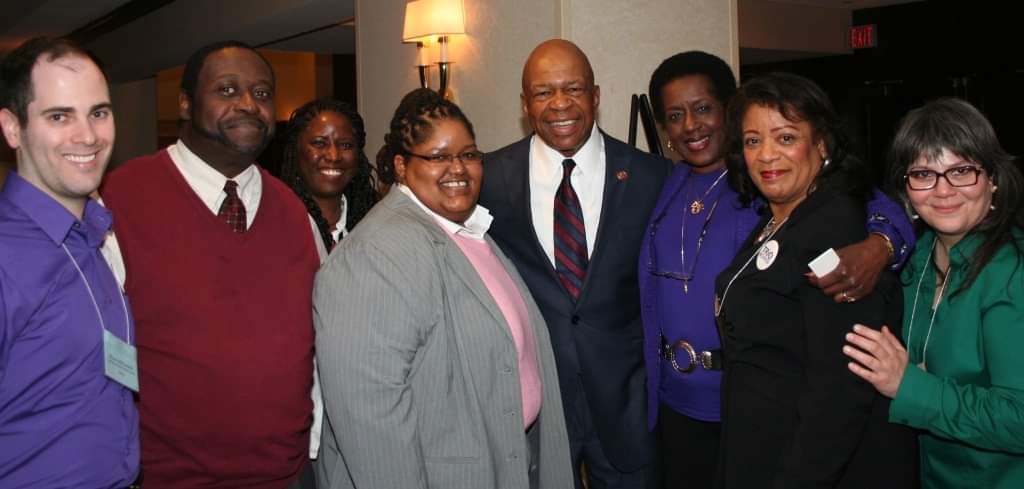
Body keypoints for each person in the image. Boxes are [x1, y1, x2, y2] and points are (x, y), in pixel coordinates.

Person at [638, 51, 914, 488]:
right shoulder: (678, 184)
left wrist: (883, 242)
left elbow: (870, 200)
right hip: (705, 410)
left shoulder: (826, 222)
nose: (690, 125)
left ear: (821, 143)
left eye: (704, 108)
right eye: (674, 115)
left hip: (787, 437)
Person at [315, 88, 573, 489]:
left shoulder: (469, 232)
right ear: (401, 166)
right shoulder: (373, 256)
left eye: (469, 154)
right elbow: (372, 422)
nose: (458, 168)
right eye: (438, 157)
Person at [101, 41, 320, 488]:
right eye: (227, 89)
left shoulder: (294, 212)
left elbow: (319, 346)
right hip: (163, 476)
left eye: (262, 93)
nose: (248, 104)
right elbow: (92, 345)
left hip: (285, 474)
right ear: (185, 103)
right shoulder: (121, 199)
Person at [480, 39, 671, 488]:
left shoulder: (651, 176)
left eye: (573, 88)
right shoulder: (489, 178)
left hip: (627, 405)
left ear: (595, 95)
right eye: (543, 92)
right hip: (536, 405)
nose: (560, 103)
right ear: (525, 104)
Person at [713, 72, 918, 488]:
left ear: (821, 144)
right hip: (764, 443)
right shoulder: (780, 217)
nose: (766, 155)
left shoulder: (836, 234)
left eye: (785, 138)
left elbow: (839, 394)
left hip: (808, 465)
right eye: (753, 140)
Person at [844, 98, 1024, 488]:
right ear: (906, 189)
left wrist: (907, 385)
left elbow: (1019, 419)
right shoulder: (916, 258)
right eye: (924, 174)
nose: (943, 190)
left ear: (992, 179)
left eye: (961, 171)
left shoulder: (1013, 272)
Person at [0, 36, 141, 489]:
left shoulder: (94, 234)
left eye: (98, 112)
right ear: (13, 128)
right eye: (59, 116)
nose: (88, 136)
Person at [281, 97, 378, 254]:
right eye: (319, 143)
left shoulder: (377, 223)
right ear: (296, 151)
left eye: (345, 145)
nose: (333, 156)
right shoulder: (274, 223)